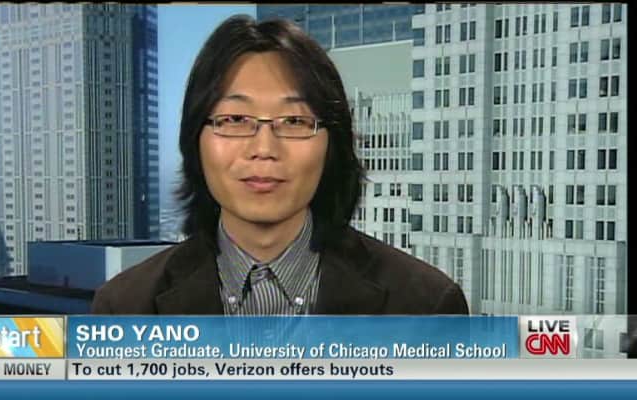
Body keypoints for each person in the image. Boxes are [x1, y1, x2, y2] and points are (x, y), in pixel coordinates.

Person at [91, 15, 469, 315]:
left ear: (332, 144)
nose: (264, 149)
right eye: (235, 119)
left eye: (294, 121)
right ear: (195, 138)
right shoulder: (125, 309)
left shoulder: (426, 306)